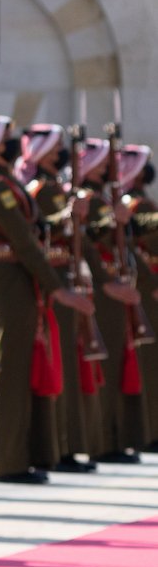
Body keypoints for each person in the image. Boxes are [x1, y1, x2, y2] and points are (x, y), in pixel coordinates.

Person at [0, 116, 93, 483]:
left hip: (23, 281)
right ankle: (8, 462)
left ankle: (29, 454)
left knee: (28, 367)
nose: (12, 144)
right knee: (11, 369)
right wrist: (58, 288)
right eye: (6, 138)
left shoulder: (11, 184)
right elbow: (24, 242)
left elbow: (37, 229)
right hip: (9, 279)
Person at [17, 124, 104, 469]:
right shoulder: (39, 190)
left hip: (66, 277)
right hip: (53, 284)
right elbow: (44, 226)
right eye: (53, 149)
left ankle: (69, 445)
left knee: (72, 363)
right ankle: (61, 447)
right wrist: (68, 216)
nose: (59, 155)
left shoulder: (55, 189)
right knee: (61, 364)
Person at [77, 138, 148, 463]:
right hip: (104, 291)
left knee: (121, 361)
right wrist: (113, 222)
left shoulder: (104, 199)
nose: (109, 169)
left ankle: (118, 438)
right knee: (106, 364)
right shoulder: (88, 200)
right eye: (104, 163)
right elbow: (87, 241)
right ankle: (105, 441)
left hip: (117, 288)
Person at [120, 152, 158, 451]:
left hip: (143, 287)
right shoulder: (140, 207)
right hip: (149, 290)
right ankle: (149, 431)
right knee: (149, 362)